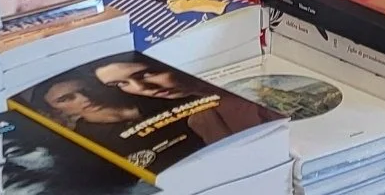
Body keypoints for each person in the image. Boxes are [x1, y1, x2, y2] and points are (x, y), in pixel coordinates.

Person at [92, 56, 269, 143]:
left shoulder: (254, 91)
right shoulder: (200, 120)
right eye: (120, 83)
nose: (141, 88)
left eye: (146, 74)